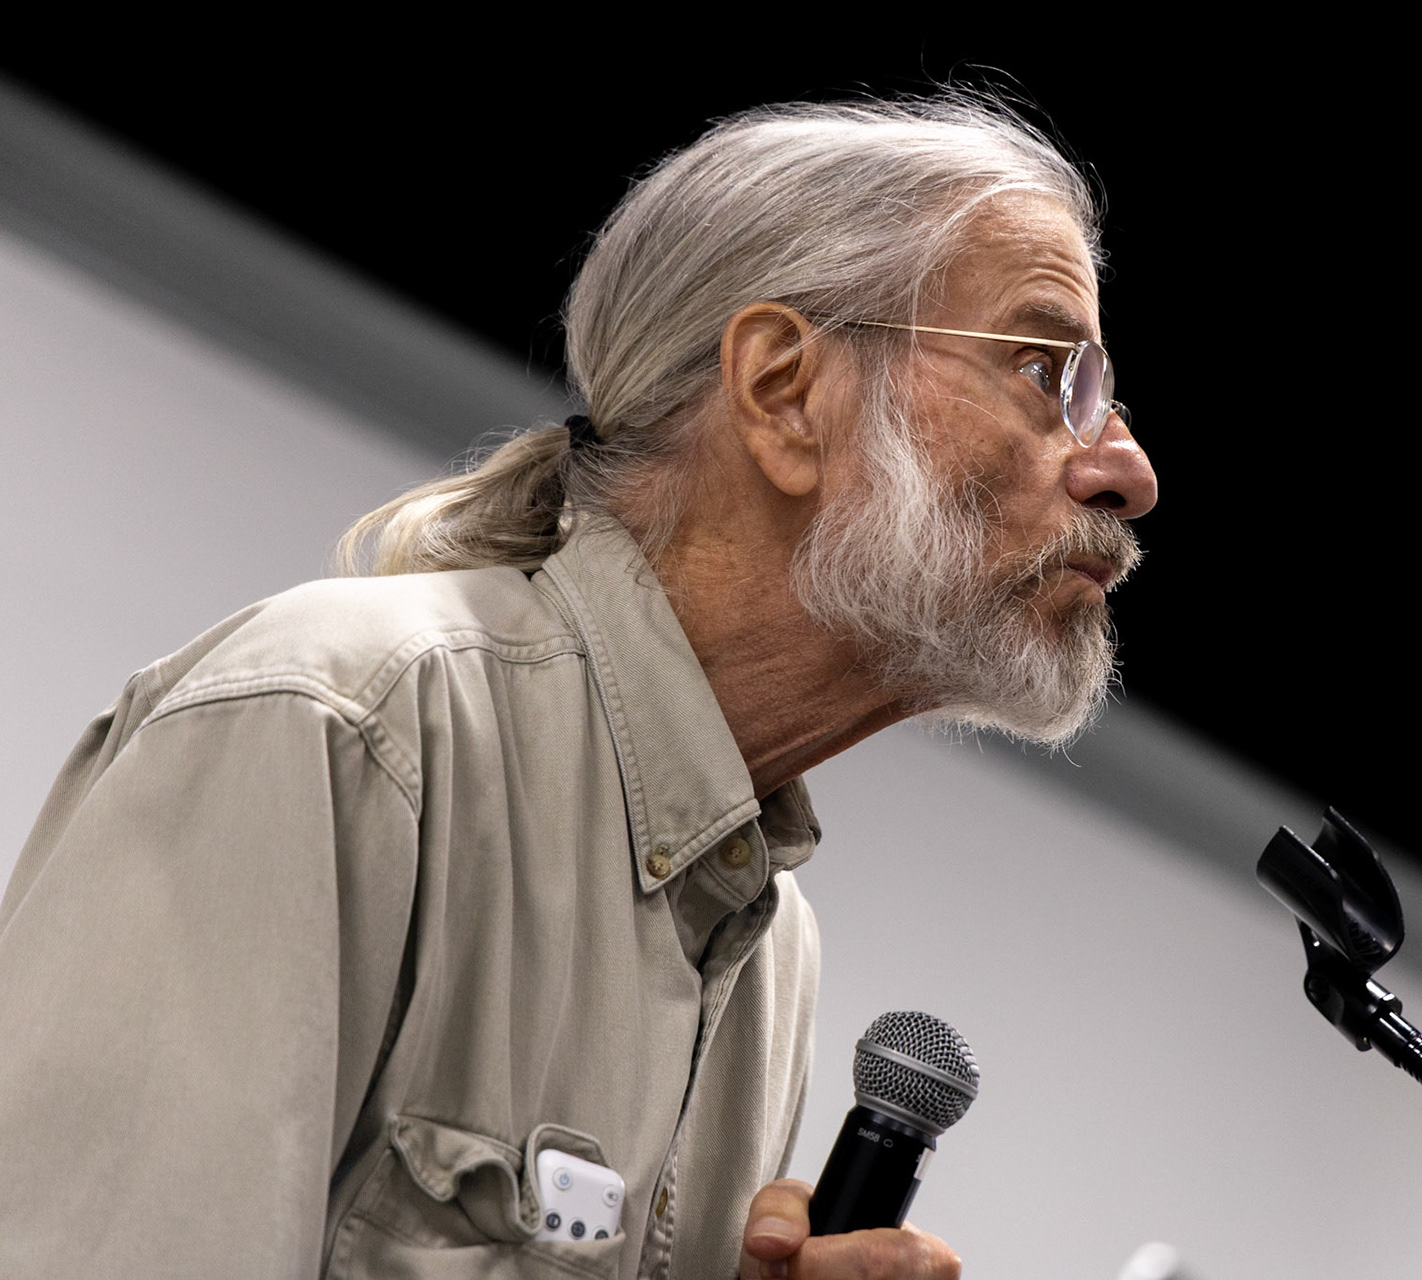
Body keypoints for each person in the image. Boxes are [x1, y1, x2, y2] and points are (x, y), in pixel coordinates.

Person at [0, 94, 1155, 1279]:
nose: (1127, 470)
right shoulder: (339, 723)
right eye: (1044, 368)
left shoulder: (770, 949)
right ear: (782, 391)